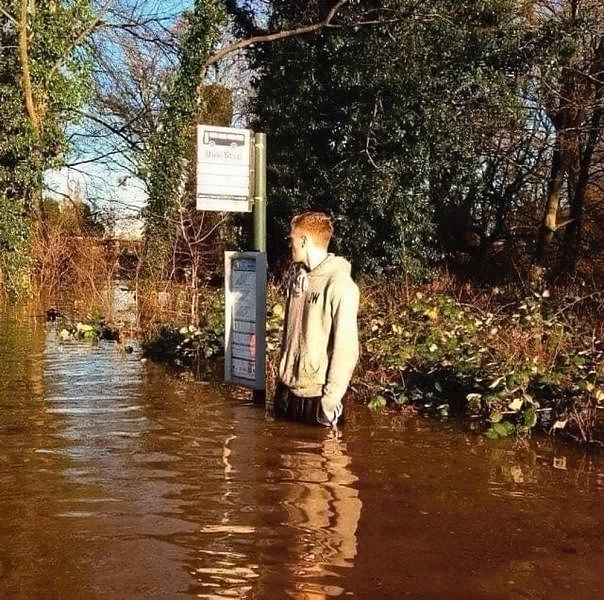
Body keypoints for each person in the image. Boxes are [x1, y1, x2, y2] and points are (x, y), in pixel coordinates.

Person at [273, 211, 359, 427]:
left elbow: (347, 348)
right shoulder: (297, 279)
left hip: (317, 398)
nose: (289, 244)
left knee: (321, 458)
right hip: (287, 392)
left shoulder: (340, 284)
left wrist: (330, 401)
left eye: (290, 239)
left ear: (303, 241)